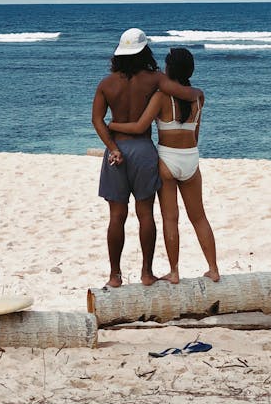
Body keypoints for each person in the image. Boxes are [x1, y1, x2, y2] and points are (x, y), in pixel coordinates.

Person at [92, 28, 202, 289]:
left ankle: (115, 276)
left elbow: (97, 120)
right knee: (145, 215)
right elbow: (188, 94)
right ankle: (146, 273)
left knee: (116, 216)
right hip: (143, 151)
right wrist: (198, 91)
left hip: (116, 149)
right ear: (145, 51)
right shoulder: (155, 79)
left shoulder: (106, 84)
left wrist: (112, 146)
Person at [108, 47, 219, 284]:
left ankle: (175, 272)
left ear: (169, 70)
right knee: (199, 217)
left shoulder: (161, 97)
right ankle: (213, 268)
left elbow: (139, 127)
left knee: (171, 218)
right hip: (191, 157)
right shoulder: (199, 97)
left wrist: (114, 126)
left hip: (168, 158)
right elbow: (196, 134)